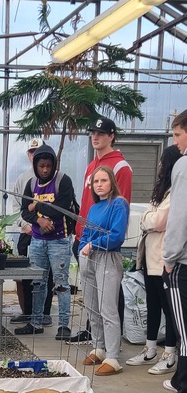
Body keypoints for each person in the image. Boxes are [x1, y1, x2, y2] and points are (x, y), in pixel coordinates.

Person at [68, 116, 132, 343]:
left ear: (111, 136)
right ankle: (96, 339)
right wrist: (81, 234)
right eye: (93, 133)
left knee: (110, 295)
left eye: (101, 133)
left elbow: (119, 204)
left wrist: (102, 239)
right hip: (84, 238)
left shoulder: (120, 166)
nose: (95, 137)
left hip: (104, 243)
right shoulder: (90, 166)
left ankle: (114, 343)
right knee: (92, 295)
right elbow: (89, 202)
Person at [126, 144, 180, 374]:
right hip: (150, 258)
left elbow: (157, 221)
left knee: (169, 309)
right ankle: (149, 350)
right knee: (153, 305)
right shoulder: (162, 191)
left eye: (161, 162)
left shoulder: (176, 191)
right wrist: (150, 219)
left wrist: (149, 219)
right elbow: (150, 217)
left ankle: (169, 355)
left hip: (164, 258)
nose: (158, 166)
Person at [15, 144, 75, 339]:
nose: (45, 170)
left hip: (59, 240)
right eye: (41, 166)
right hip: (38, 240)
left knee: (61, 284)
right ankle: (36, 322)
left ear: (54, 164)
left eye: (48, 166)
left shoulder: (63, 181)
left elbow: (61, 209)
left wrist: (37, 205)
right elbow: (25, 210)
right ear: (35, 165)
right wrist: (38, 220)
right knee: (37, 283)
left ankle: (64, 326)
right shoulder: (31, 184)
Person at [151, 111, 187, 393]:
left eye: (177, 135)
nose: (174, 143)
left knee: (185, 334)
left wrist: (170, 257)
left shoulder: (185, 166)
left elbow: (178, 217)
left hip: (183, 263)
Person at [79, 165, 129, 375]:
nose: (99, 185)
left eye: (103, 181)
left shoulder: (118, 204)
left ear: (112, 183)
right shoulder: (94, 207)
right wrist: (83, 245)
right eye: (96, 181)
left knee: (107, 307)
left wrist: (93, 244)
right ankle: (98, 346)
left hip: (108, 257)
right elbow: (86, 232)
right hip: (89, 256)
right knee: (91, 304)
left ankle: (113, 356)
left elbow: (117, 235)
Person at [10, 136, 54, 325]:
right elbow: (16, 207)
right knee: (26, 274)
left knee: (46, 274)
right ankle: (27, 312)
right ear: (29, 155)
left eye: (38, 151)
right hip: (26, 234)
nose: (34, 155)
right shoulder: (23, 179)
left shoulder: (55, 178)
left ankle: (44, 313)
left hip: (47, 235)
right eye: (31, 152)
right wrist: (25, 225)